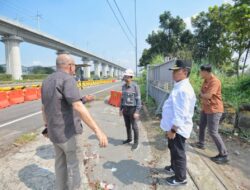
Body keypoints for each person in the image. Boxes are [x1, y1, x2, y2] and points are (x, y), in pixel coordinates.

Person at [41, 53, 108, 190]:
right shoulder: (68, 79)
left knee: (60, 164)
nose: (75, 69)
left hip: (54, 133)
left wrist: (47, 126)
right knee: (74, 166)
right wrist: (98, 131)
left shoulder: (46, 81)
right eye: (74, 66)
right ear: (70, 66)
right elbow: (77, 106)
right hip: (68, 133)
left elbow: (44, 107)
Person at [160, 60, 196, 186]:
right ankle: (174, 167)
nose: (173, 73)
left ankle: (181, 178)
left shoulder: (184, 90)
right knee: (173, 148)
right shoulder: (179, 85)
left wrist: (173, 130)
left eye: (176, 71)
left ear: (185, 72)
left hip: (177, 129)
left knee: (178, 152)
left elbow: (181, 113)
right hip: (173, 127)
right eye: (173, 71)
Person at [191, 64, 229, 164]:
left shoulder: (215, 81)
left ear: (206, 72)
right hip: (205, 108)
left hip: (214, 109)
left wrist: (202, 96)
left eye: (201, 71)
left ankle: (224, 154)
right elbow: (202, 93)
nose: (200, 73)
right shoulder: (205, 80)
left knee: (213, 132)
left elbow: (207, 95)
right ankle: (201, 143)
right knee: (202, 125)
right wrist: (203, 96)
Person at [119, 69, 142, 151]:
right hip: (125, 109)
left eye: (127, 76)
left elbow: (138, 100)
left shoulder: (135, 86)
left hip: (133, 109)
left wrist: (137, 112)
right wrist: (120, 109)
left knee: (134, 127)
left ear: (131, 77)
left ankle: (136, 142)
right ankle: (129, 139)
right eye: (125, 76)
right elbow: (122, 99)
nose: (125, 78)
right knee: (127, 125)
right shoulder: (123, 87)